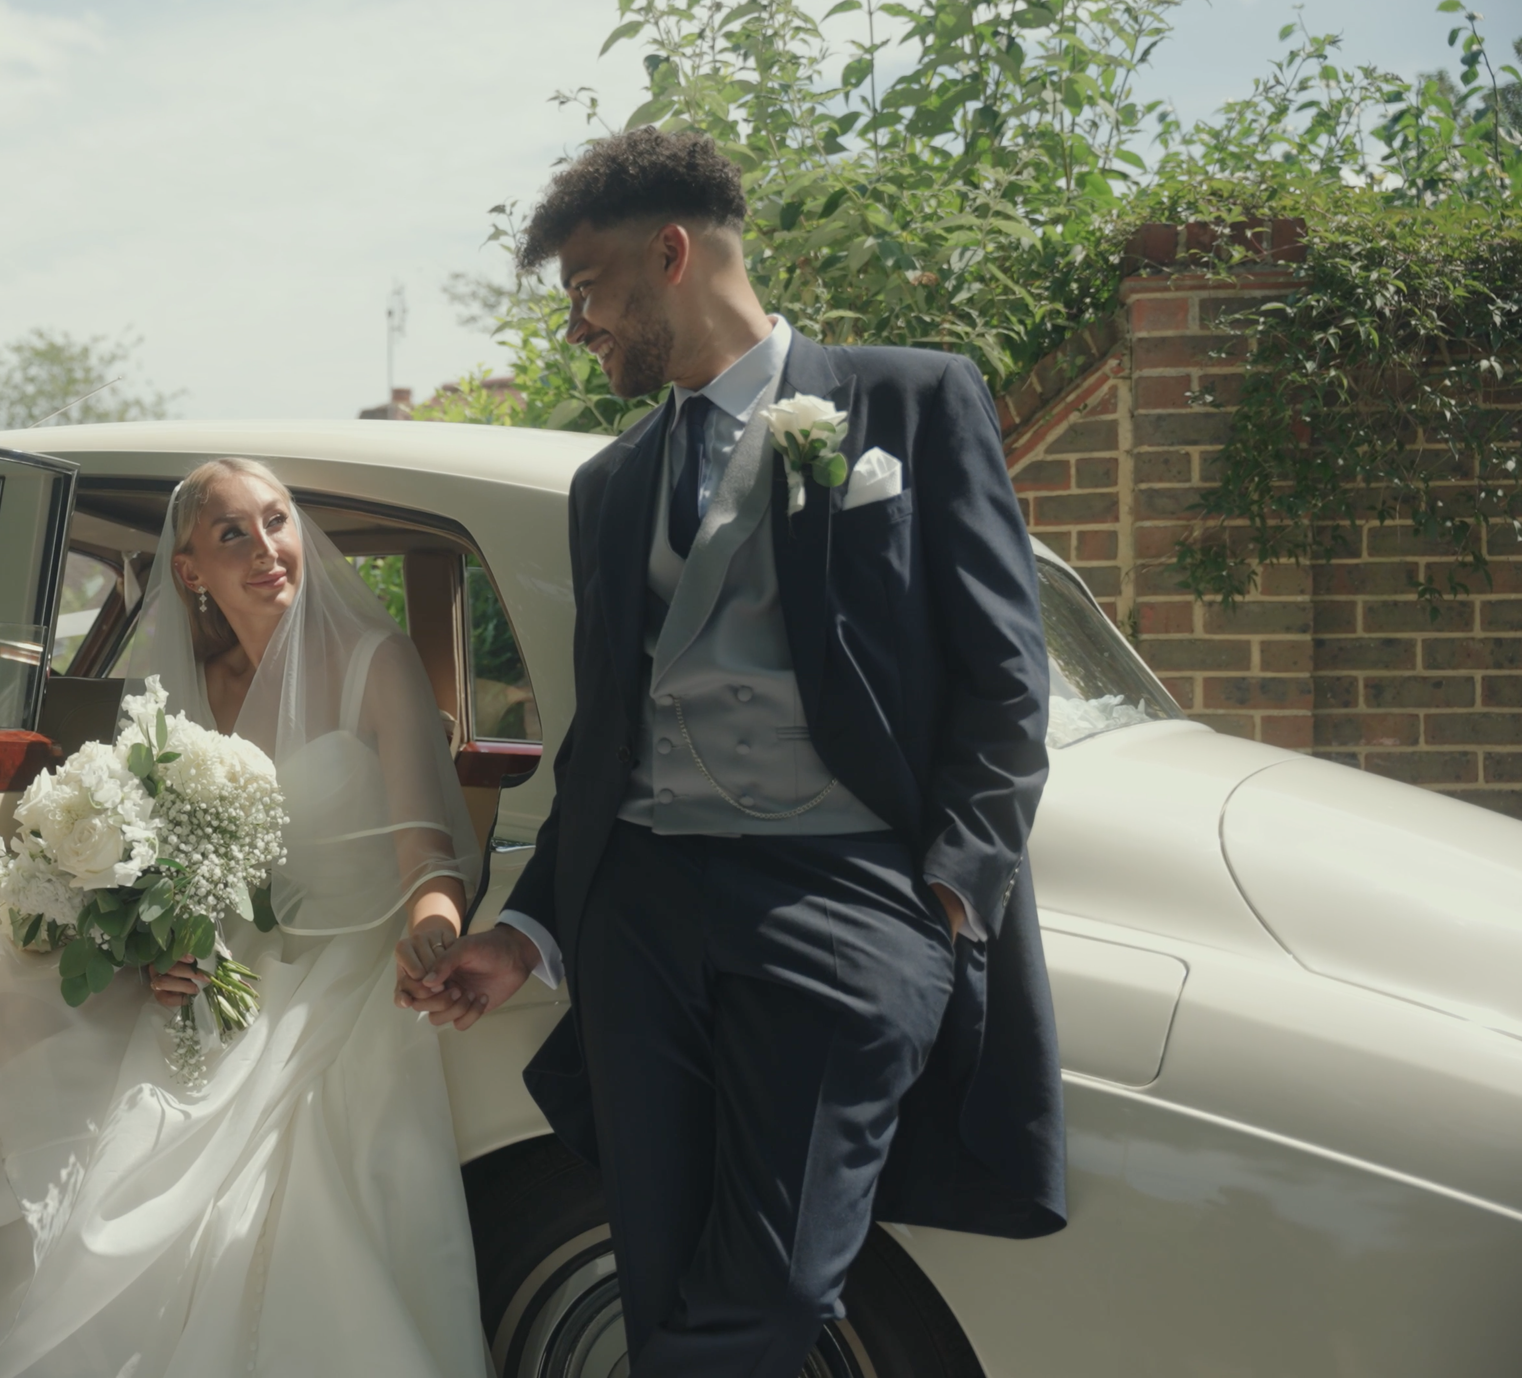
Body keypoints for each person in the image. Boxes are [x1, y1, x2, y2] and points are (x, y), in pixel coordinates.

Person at [401, 127, 1067, 1376]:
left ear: (669, 252)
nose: (577, 327)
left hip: (847, 898)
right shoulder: (611, 483)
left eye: (588, 290)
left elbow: (1003, 677)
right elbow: (605, 741)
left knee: (770, 1284)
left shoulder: (913, 402)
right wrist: (530, 932)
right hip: (643, 914)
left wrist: (948, 892)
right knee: (656, 1282)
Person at [0, 458, 491, 1378]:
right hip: (228, 963)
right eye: (232, 535)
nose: (268, 550)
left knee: (292, 1180)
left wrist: (435, 931)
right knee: (80, 1073)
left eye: (279, 520)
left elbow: (428, 854)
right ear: (189, 571)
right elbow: (176, 873)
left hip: (356, 952)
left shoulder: (377, 660)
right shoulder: (180, 693)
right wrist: (164, 950)